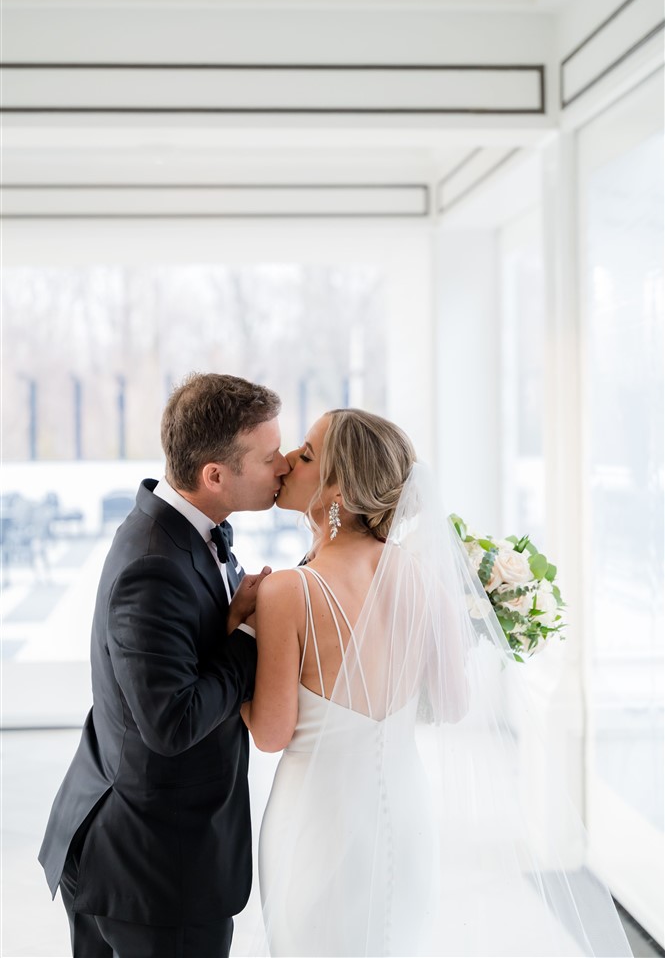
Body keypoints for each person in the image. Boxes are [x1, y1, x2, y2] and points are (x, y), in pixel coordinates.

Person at [238, 408, 633, 958]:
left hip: (316, 829)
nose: (286, 463)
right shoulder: (423, 577)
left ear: (338, 493)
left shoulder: (286, 593)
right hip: (406, 820)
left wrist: (230, 632)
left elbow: (271, 733)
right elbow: (450, 703)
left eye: (305, 456)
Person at [39, 372, 290, 958]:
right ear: (215, 475)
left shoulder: (190, 532)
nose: (282, 466)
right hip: (149, 870)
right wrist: (254, 634)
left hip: (141, 848)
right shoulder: (153, 564)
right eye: (270, 456)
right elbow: (171, 722)